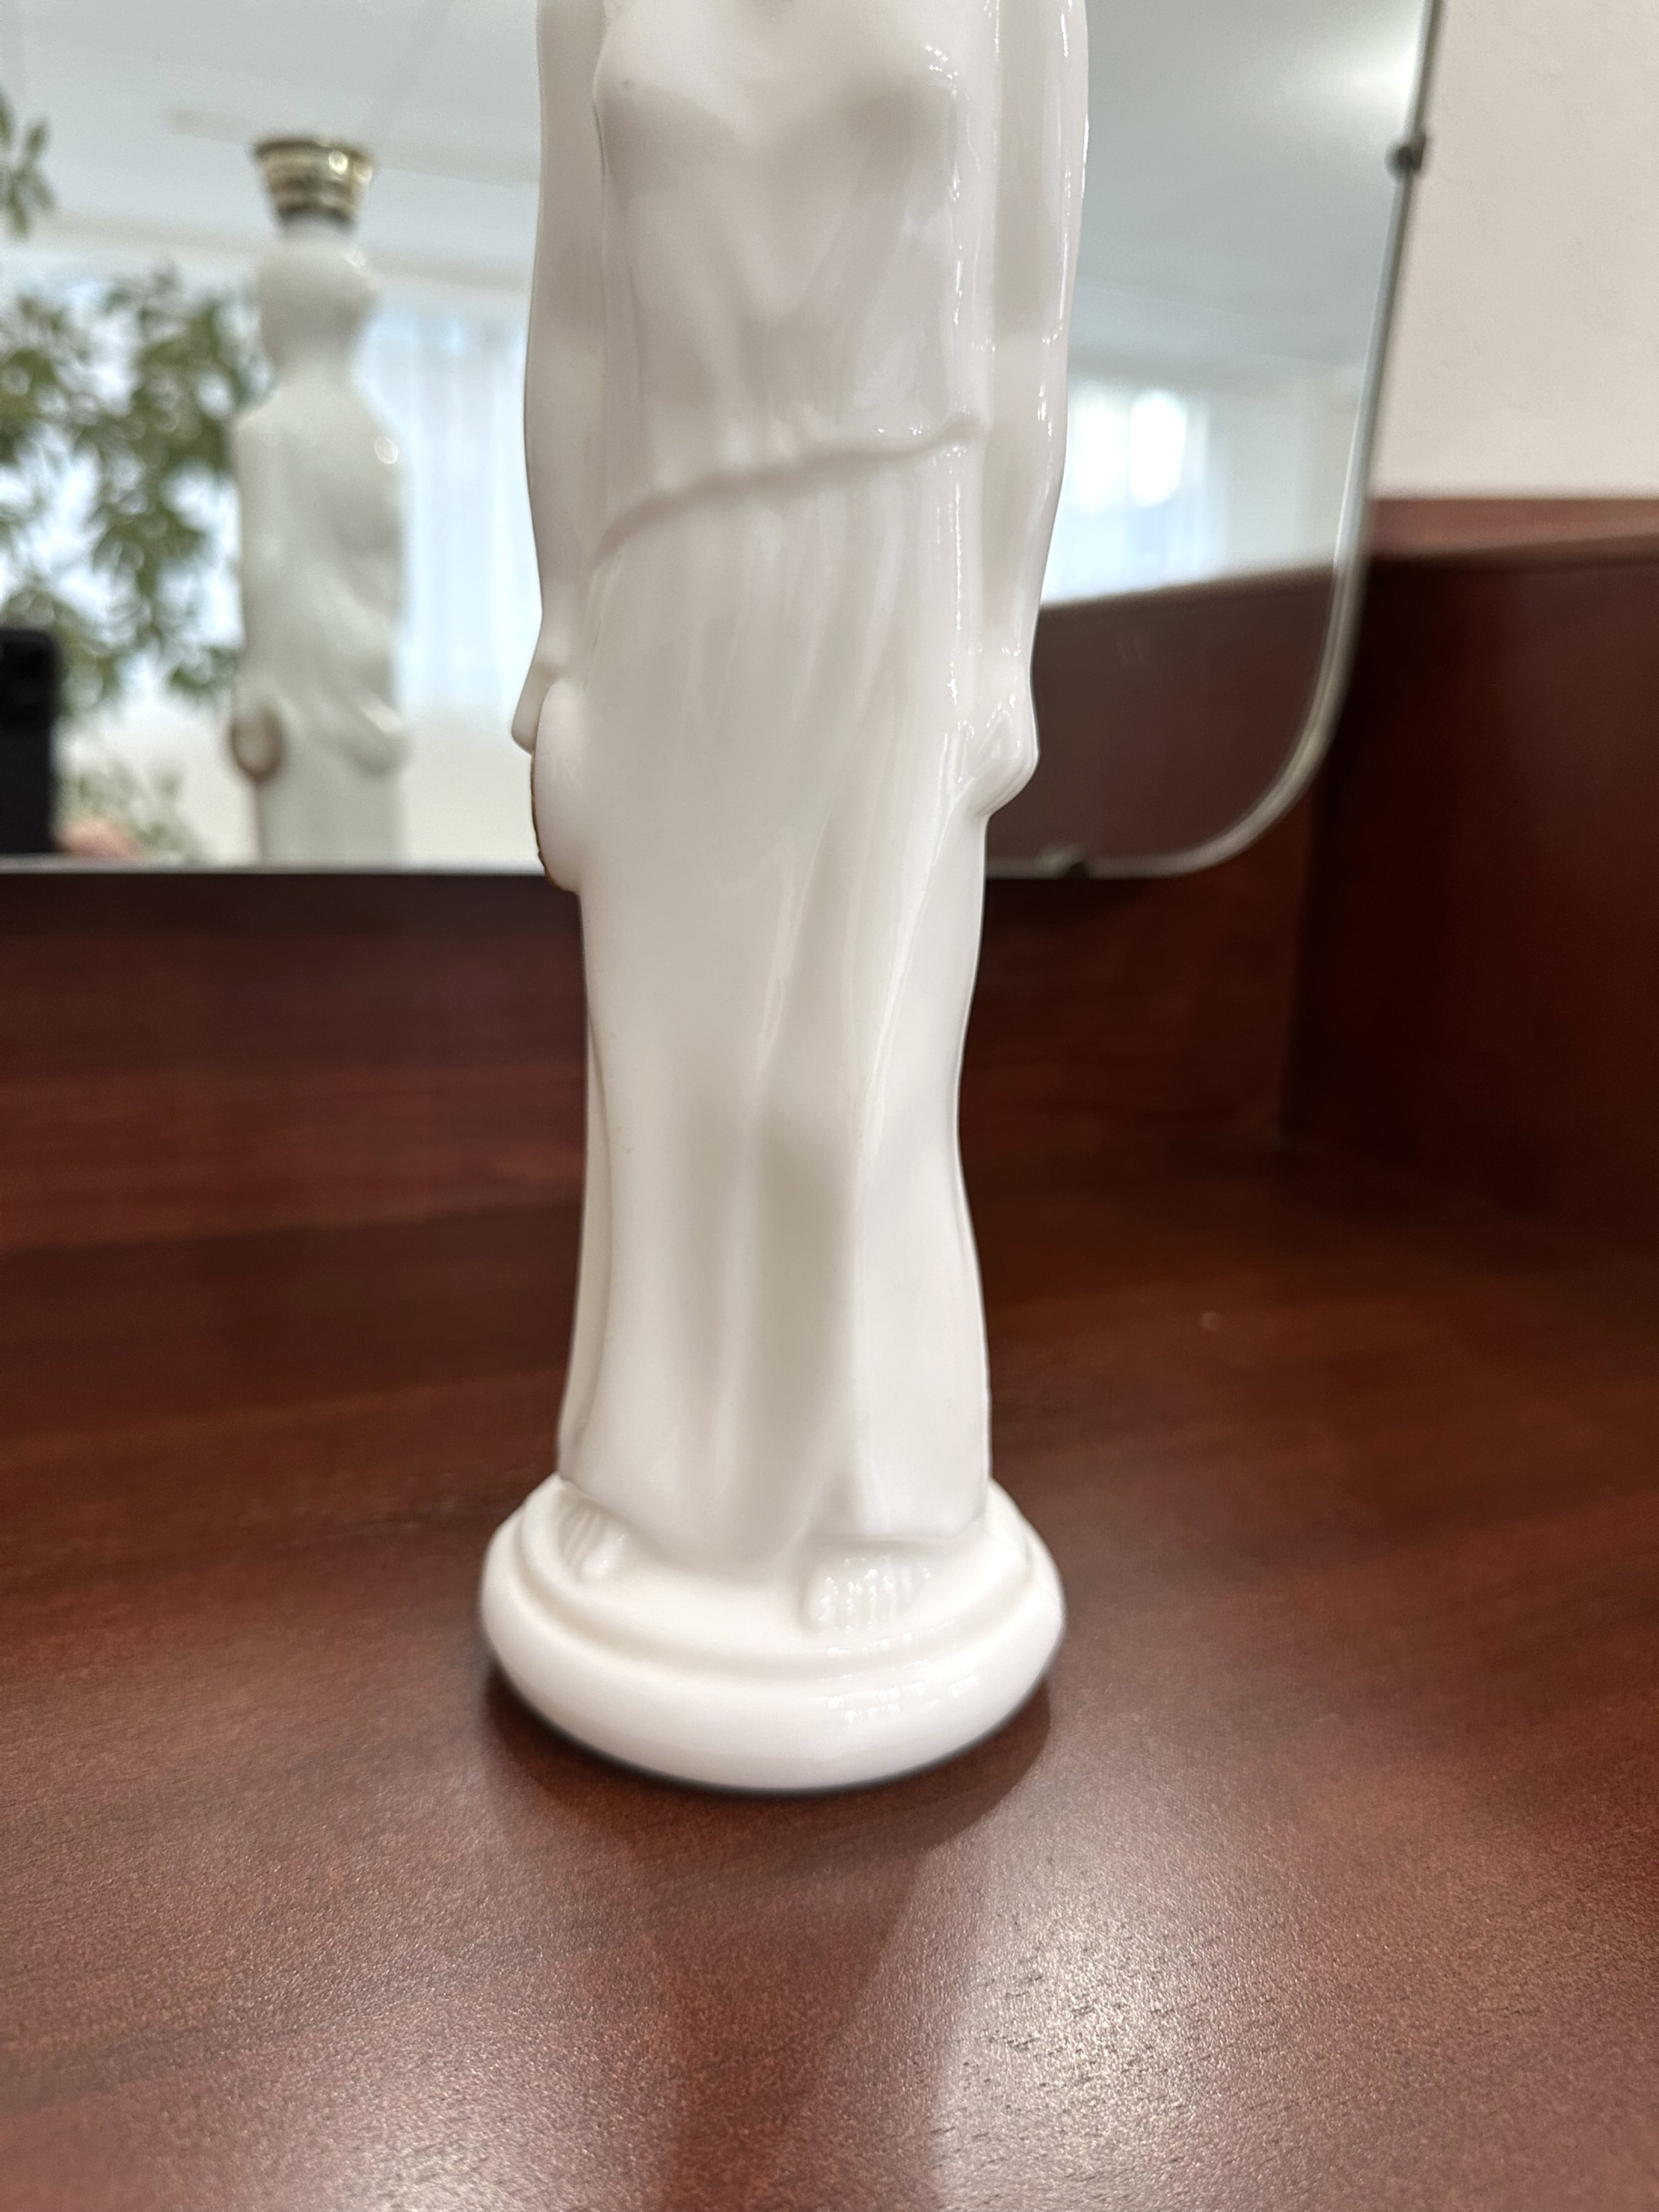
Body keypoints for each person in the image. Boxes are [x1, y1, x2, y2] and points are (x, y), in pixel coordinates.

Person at [515, 0, 1087, 1626]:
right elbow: (574, 316)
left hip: (896, 548)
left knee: (856, 1073)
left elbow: (1023, 325)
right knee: (667, 1065)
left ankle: (882, 1492)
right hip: (666, 565)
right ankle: (651, 1475)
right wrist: (562, 639)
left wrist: (999, 637)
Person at [230, 219, 406, 865]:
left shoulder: (268, 430)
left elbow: (266, 562)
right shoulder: (376, 437)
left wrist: (254, 674)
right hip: (366, 654)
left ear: (282, 314)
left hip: (297, 655)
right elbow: (393, 574)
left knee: (300, 849)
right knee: (366, 840)